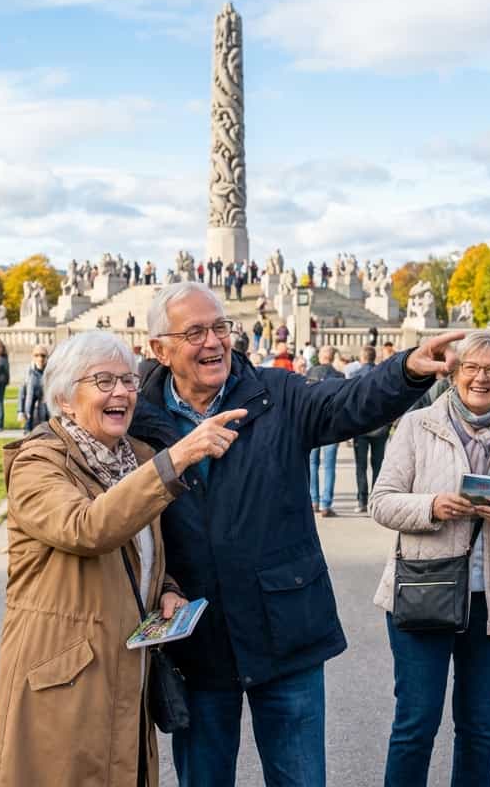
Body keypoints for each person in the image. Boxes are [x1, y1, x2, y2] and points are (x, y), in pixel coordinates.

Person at [127, 281, 462, 787]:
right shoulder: (137, 420)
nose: (214, 342)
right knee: (203, 778)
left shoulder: (276, 392)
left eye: (220, 328)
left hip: (285, 626)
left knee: (299, 778)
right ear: (160, 348)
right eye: (194, 332)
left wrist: (406, 370)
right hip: (197, 636)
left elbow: (350, 403)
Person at [0, 332, 244, 785]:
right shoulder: (38, 463)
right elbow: (88, 528)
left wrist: (167, 589)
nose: (122, 392)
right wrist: (178, 457)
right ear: (66, 400)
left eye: (128, 380)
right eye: (103, 381)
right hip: (63, 678)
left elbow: (140, 552)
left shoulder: (135, 458)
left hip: (125, 668)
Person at [371, 331, 490, 785]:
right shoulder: (417, 425)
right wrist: (432, 507)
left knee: (480, 728)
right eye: (471, 368)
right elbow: (381, 502)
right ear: (455, 373)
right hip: (425, 589)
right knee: (416, 725)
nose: (480, 378)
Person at [349, 346, 390, 514]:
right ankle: (376, 500)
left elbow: (350, 404)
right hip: (380, 426)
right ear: (374, 357)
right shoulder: (384, 375)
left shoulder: (354, 376)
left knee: (361, 466)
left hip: (360, 426)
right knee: (378, 465)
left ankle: (361, 500)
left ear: (362, 357)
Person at [306, 345, 344, 517]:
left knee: (312, 464)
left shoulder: (309, 374)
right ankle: (326, 504)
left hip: (312, 424)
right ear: (332, 357)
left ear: (320, 356)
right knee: (329, 466)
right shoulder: (339, 375)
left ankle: (313, 500)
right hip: (331, 425)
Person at [18, 345, 51, 432]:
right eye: (37, 355)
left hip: (45, 411)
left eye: (43, 355)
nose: (40, 358)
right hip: (28, 410)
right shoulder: (28, 372)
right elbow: (22, 392)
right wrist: (20, 411)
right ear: (33, 357)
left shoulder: (50, 372)